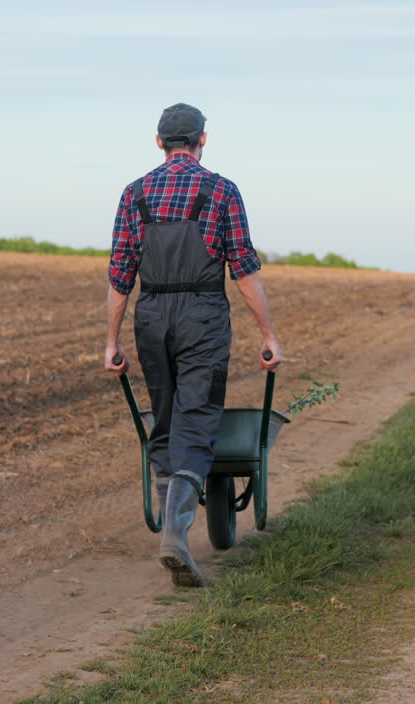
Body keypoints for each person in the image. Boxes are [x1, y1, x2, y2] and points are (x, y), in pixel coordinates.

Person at [103, 103, 281, 587]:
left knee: (164, 417)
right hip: (202, 314)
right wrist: (267, 335)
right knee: (197, 418)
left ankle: (171, 524)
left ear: (159, 142)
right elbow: (243, 267)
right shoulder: (221, 191)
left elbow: (121, 273)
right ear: (204, 140)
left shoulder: (133, 193)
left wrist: (111, 341)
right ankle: (176, 536)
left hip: (152, 313)